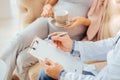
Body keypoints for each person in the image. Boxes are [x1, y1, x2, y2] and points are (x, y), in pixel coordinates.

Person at [38, 31, 120, 80]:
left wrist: (62, 75)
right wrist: (73, 46)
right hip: (103, 74)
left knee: (46, 75)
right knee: (46, 72)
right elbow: (113, 44)